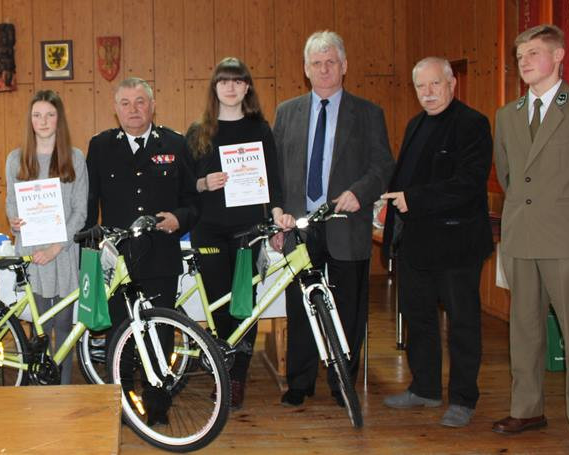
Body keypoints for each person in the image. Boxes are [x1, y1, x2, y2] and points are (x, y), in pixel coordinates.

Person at [492, 24, 569, 455]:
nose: (524, 61)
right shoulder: (507, 115)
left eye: (534, 53)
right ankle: (527, 409)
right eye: (520, 54)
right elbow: (507, 176)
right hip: (522, 238)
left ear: (559, 56)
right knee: (522, 331)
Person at [270, 31, 394, 407]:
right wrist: (276, 214)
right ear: (305, 69)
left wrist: (361, 191)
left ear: (344, 66)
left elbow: (383, 165)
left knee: (348, 308)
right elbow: (273, 171)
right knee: (300, 304)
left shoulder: (368, 112)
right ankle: (299, 381)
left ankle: (343, 381)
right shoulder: (286, 112)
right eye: (316, 63)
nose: (324, 70)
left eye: (331, 62)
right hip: (299, 226)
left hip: (346, 223)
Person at [378, 57, 493, 428]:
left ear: (452, 84)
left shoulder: (472, 124)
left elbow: (468, 183)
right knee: (419, 319)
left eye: (434, 85)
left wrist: (416, 199)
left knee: (462, 324)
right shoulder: (415, 125)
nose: (427, 94)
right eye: (420, 87)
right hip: (416, 245)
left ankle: (463, 398)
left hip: (457, 246)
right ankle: (425, 388)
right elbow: (405, 180)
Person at [85, 77, 199, 423]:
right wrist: (92, 245)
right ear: (115, 108)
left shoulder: (176, 144)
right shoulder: (101, 146)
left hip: (161, 256)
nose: (133, 109)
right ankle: (120, 405)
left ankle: (158, 406)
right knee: (121, 338)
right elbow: (91, 205)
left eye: (140, 102)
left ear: (152, 106)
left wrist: (178, 220)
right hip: (118, 259)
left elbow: (193, 202)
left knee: (160, 334)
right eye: (125, 103)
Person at [186, 57, 292, 409]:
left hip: (249, 233)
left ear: (247, 87)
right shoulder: (198, 131)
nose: (230, 87)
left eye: (237, 81)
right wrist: (203, 182)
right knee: (218, 308)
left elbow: (273, 180)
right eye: (223, 81)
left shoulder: (261, 130)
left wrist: (277, 213)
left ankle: (236, 377)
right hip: (209, 234)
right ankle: (222, 369)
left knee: (244, 307)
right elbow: (184, 187)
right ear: (214, 87)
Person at [5, 90, 88, 385]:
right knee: (40, 327)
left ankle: (63, 389)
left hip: (62, 254)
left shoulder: (75, 158)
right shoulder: (16, 158)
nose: (43, 121)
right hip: (33, 255)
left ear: (59, 119)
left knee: (65, 325)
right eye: (37, 115)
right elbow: (11, 206)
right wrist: (15, 222)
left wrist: (55, 247)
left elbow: (80, 212)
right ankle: (39, 388)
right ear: (30, 120)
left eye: (50, 115)